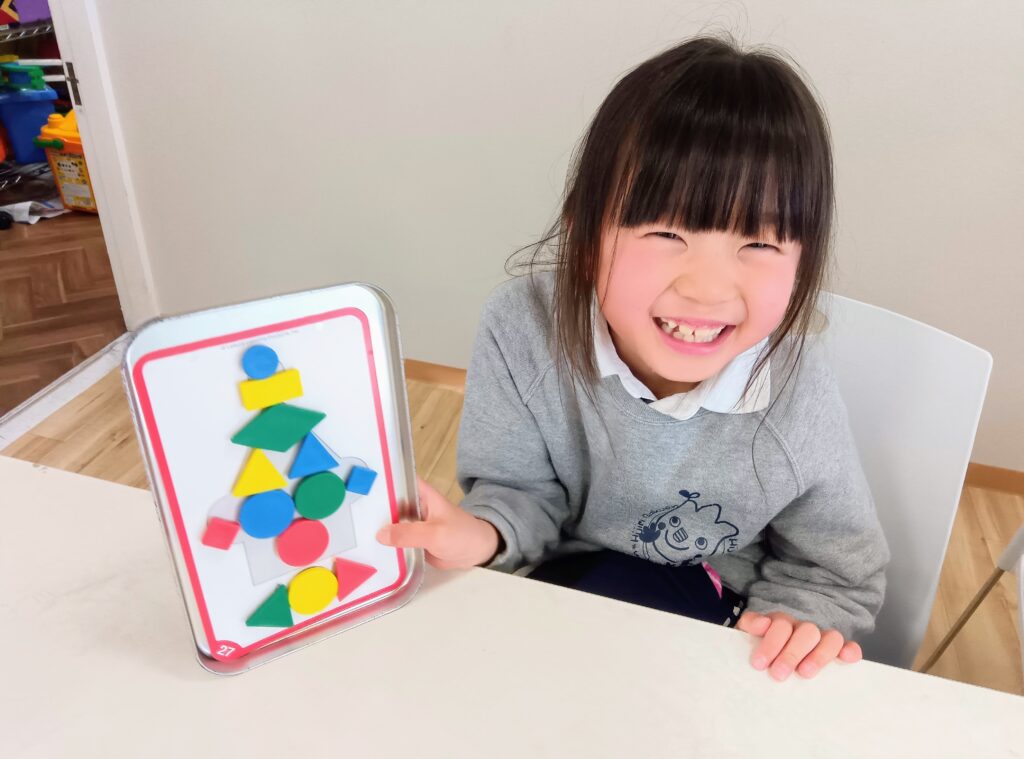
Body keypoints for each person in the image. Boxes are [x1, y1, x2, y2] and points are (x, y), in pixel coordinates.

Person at [378, 34, 890, 682]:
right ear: (584, 237)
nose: (707, 288)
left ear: (803, 260)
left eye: (759, 243)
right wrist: (483, 532)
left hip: (715, 621)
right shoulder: (524, 328)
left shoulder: (795, 388)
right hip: (561, 592)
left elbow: (837, 571)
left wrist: (793, 621)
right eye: (666, 232)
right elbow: (517, 494)